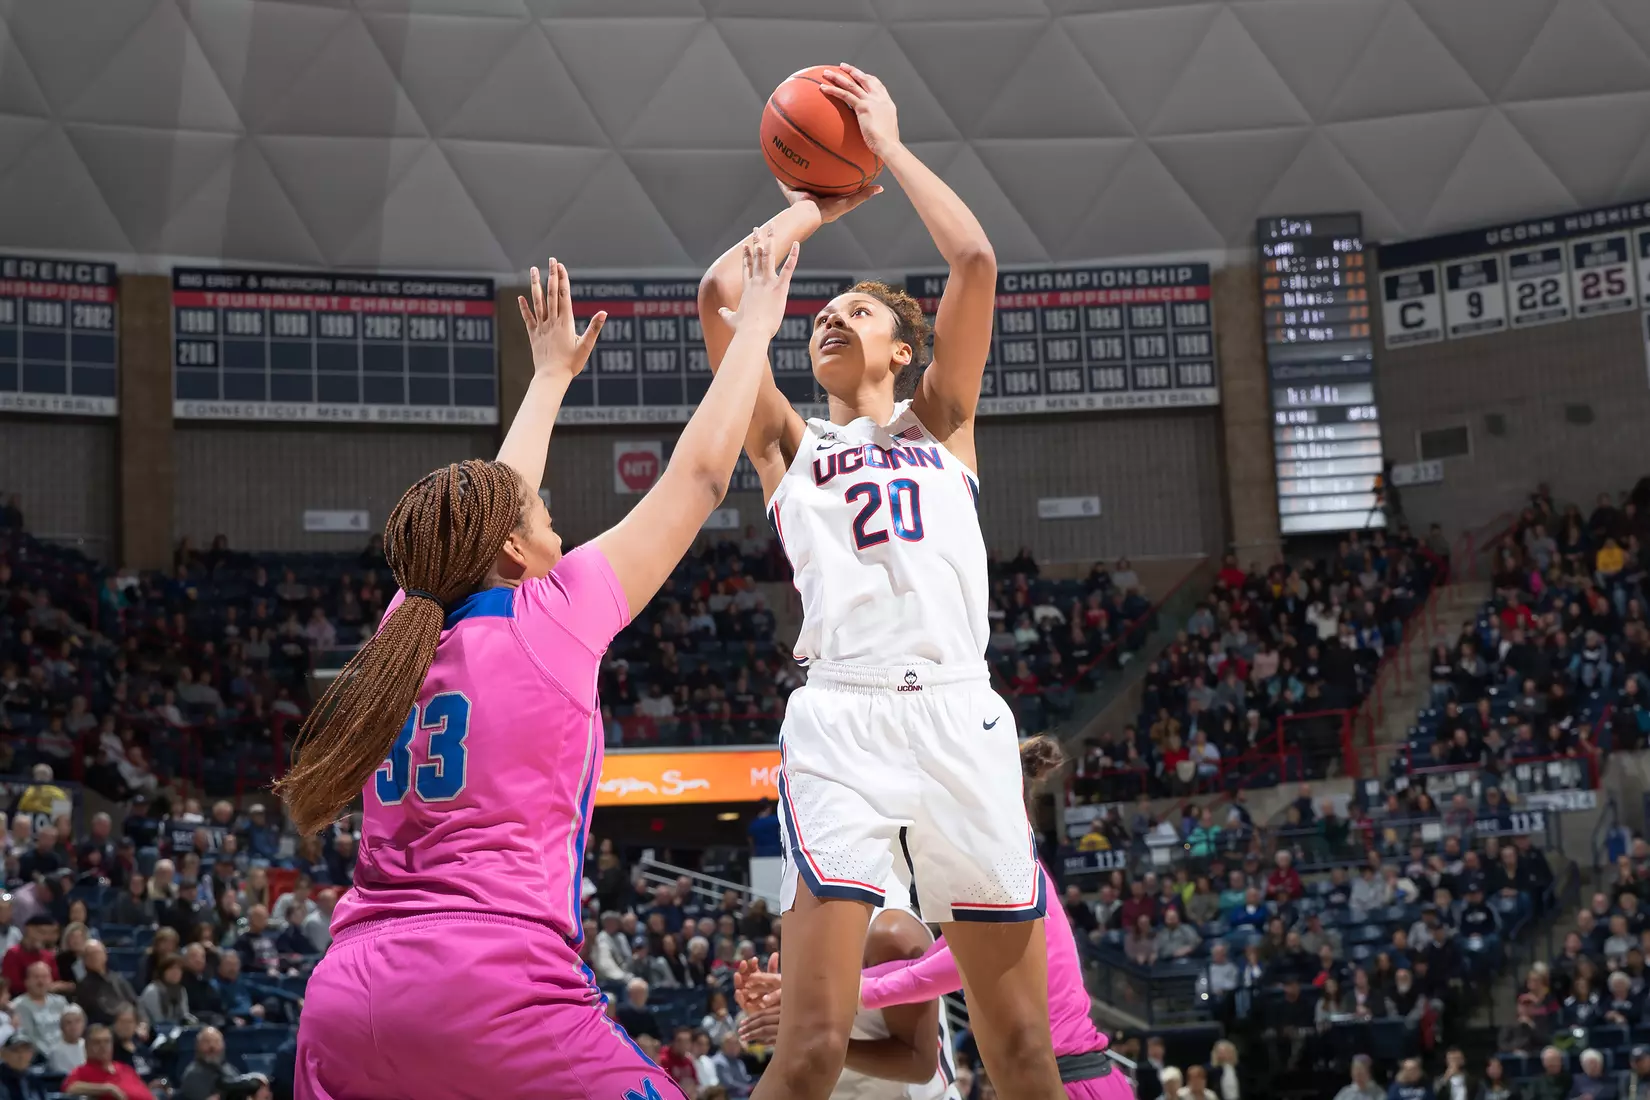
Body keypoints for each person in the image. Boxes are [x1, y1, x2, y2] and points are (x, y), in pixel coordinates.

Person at [283, 245, 802, 1100]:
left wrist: (551, 377)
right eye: (548, 514)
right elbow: (704, 474)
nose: (558, 523)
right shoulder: (552, 611)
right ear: (517, 551)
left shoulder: (400, 631)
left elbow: (488, 509)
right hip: (489, 981)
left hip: (346, 997)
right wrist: (752, 334)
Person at [699, 62, 1062, 1100]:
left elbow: (976, 257)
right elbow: (724, 294)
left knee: (1020, 1050)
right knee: (808, 1046)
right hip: (842, 720)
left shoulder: (943, 423)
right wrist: (816, 207)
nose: (829, 319)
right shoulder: (786, 444)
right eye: (823, 313)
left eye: (856, 312)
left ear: (905, 349)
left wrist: (888, 151)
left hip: (958, 713)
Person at [737, 739, 1130, 1100]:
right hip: (1061, 1077)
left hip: (1071, 1080)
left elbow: (926, 978)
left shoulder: (1003, 879)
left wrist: (813, 997)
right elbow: (923, 969)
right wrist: (799, 989)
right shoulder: (992, 876)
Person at [735, 862, 958, 1100]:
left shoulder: (890, 932)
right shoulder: (805, 913)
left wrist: (799, 1033)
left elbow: (920, 1066)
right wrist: (777, 1007)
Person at [63, 1024, 155, 1100]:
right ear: (87, 1047)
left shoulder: (125, 1068)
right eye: (97, 1042)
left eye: (107, 1041)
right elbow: (70, 1088)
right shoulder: (82, 1071)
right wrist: (108, 1088)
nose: (103, 1046)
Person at [0, 1034, 49, 1100]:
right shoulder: (2, 1080)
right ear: (4, 1054)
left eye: (26, 1051)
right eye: (16, 1051)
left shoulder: (34, 1079)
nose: (21, 1056)